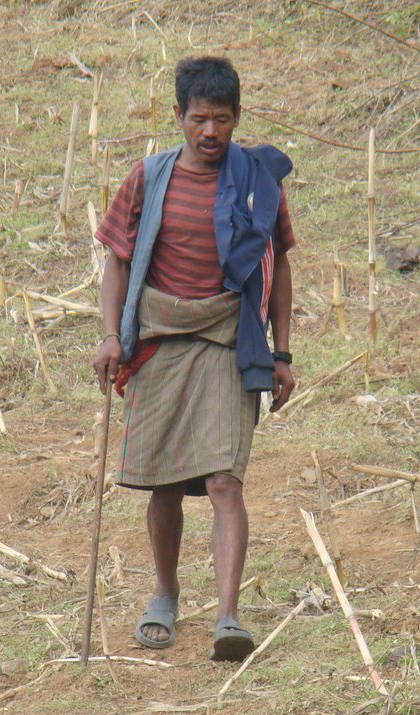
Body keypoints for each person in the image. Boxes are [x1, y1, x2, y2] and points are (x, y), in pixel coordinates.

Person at [91, 57, 296, 662]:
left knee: (225, 480)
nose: (211, 132)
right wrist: (109, 335)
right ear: (178, 117)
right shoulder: (149, 177)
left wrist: (282, 352)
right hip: (158, 338)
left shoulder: (259, 181)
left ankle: (228, 617)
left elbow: (281, 266)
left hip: (228, 339)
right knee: (163, 483)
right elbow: (119, 261)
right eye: (199, 119)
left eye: (223, 120)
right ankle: (165, 595)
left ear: (237, 121)